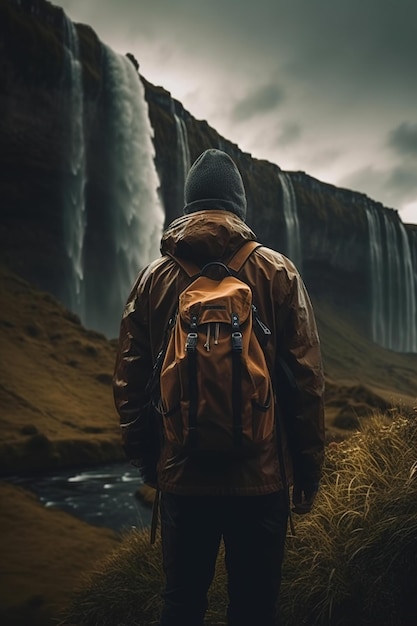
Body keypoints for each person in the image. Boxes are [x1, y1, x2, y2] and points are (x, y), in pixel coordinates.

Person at [113, 148, 325, 626]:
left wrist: (150, 462)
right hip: (263, 478)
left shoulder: (152, 279)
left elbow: (130, 380)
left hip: (183, 476)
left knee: (182, 604)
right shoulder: (278, 273)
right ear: (238, 208)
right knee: (253, 608)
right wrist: (307, 475)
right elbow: (307, 383)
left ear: (189, 206)